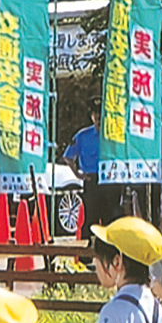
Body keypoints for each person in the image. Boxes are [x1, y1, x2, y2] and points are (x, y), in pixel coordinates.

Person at [62, 99, 114, 233]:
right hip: (91, 181)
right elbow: (68, 156)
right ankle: (90, 248)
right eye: (95, 115)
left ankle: (110, 251)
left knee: (110, 218)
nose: (98, 118)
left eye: (100, 114)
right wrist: (78, 174)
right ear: (91, 117)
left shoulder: (113, 135)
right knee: (91, 218)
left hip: (110, 181)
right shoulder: (83, 136)